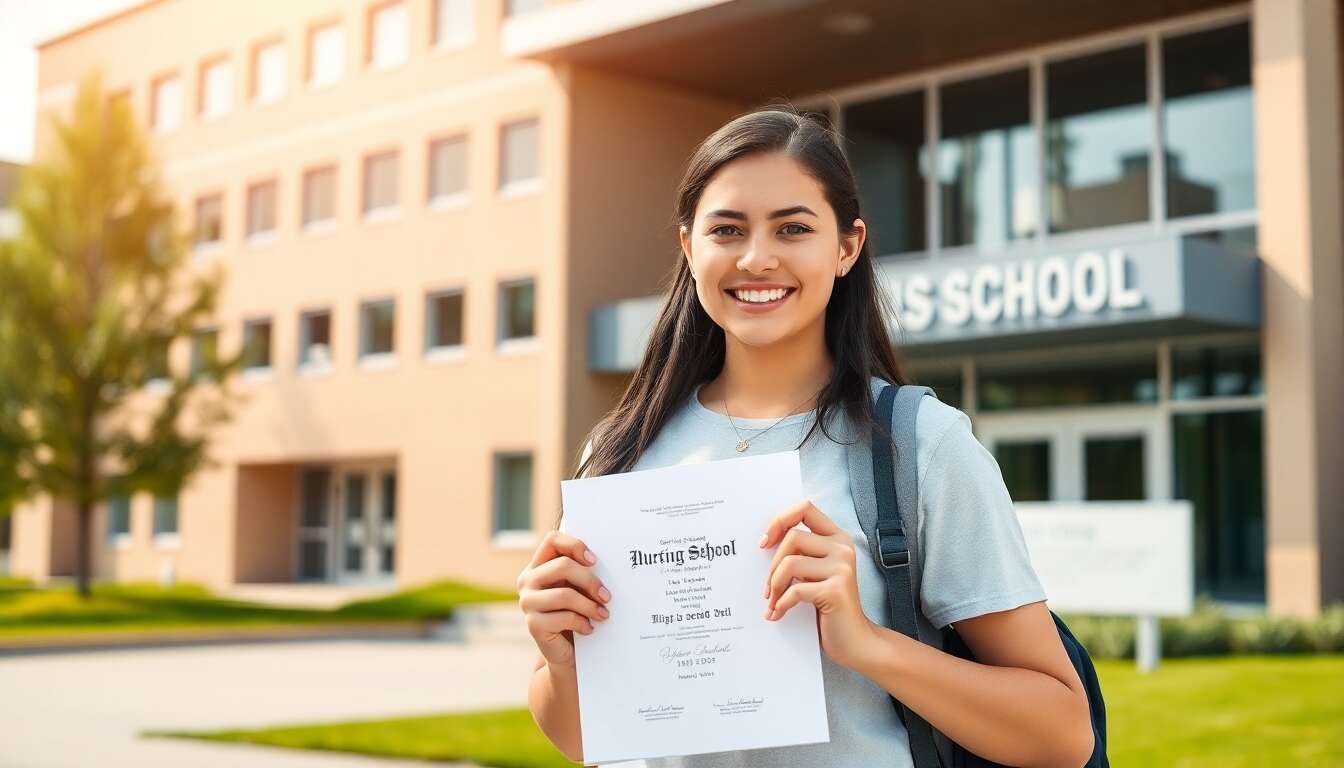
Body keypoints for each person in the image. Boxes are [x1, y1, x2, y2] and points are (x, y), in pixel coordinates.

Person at [516, 107, 1095, 768]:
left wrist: (866, 643)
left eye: (793, 228)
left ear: (846, 247)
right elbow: (587, 740)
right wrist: (560, 656)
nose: (757, 258)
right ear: (688, 248)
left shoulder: (920, 446)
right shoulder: (618, 452)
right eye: (727, 230)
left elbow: (1062, 734)